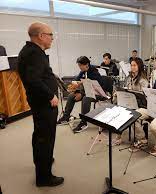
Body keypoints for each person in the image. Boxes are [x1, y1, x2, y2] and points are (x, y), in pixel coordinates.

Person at [18, 22, 64, 187]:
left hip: (40, 103)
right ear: (41, 36)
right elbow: (33, 80)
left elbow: (38, 76)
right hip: (44, 104)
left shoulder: (33, 51)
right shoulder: (34, 54)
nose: (52, 38)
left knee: (40, 135)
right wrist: (50, 95)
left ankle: (43, 162)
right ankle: (44, 178)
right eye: (50, 35)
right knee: (45, 138)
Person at [112, 58, 149, 145]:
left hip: (141, 105)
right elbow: (126, 89)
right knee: (118, 110)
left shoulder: (143, 80)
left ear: (139, 66)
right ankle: (118, 136)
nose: (132, 67)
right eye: (131, 65)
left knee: (131, 114)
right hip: (130, 102)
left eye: (134, 65)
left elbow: (144, 97)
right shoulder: (129, 78)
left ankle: (142, 139)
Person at [57, 56, 103, 125]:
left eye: (80, 65)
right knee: (71, 96)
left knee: (86, 99)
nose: (79, 67)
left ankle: (83, 121)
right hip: (87, 92)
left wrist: (81, 92)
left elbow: (94, 86)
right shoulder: (83, 71)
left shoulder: (94, 72)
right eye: (79, 65)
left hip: (98, 93)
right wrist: (74, 89)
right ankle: (66, 117)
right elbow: (76, 80)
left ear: (87, 64)